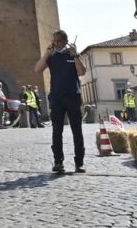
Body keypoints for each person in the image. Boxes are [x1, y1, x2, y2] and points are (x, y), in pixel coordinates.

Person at [34, 29, 87, 174]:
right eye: (54, 41)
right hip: (56, 97)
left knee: (77, 130)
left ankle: (79, 163)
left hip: (73, 96)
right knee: (57, 130)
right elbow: (37, 69)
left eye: (59, 41)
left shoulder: (72, 54)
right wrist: (47, 53)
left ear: (65, 41)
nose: (56, 43)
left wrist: (75, 55)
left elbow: (82, 72)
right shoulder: (51, 56)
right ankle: (58, 162)